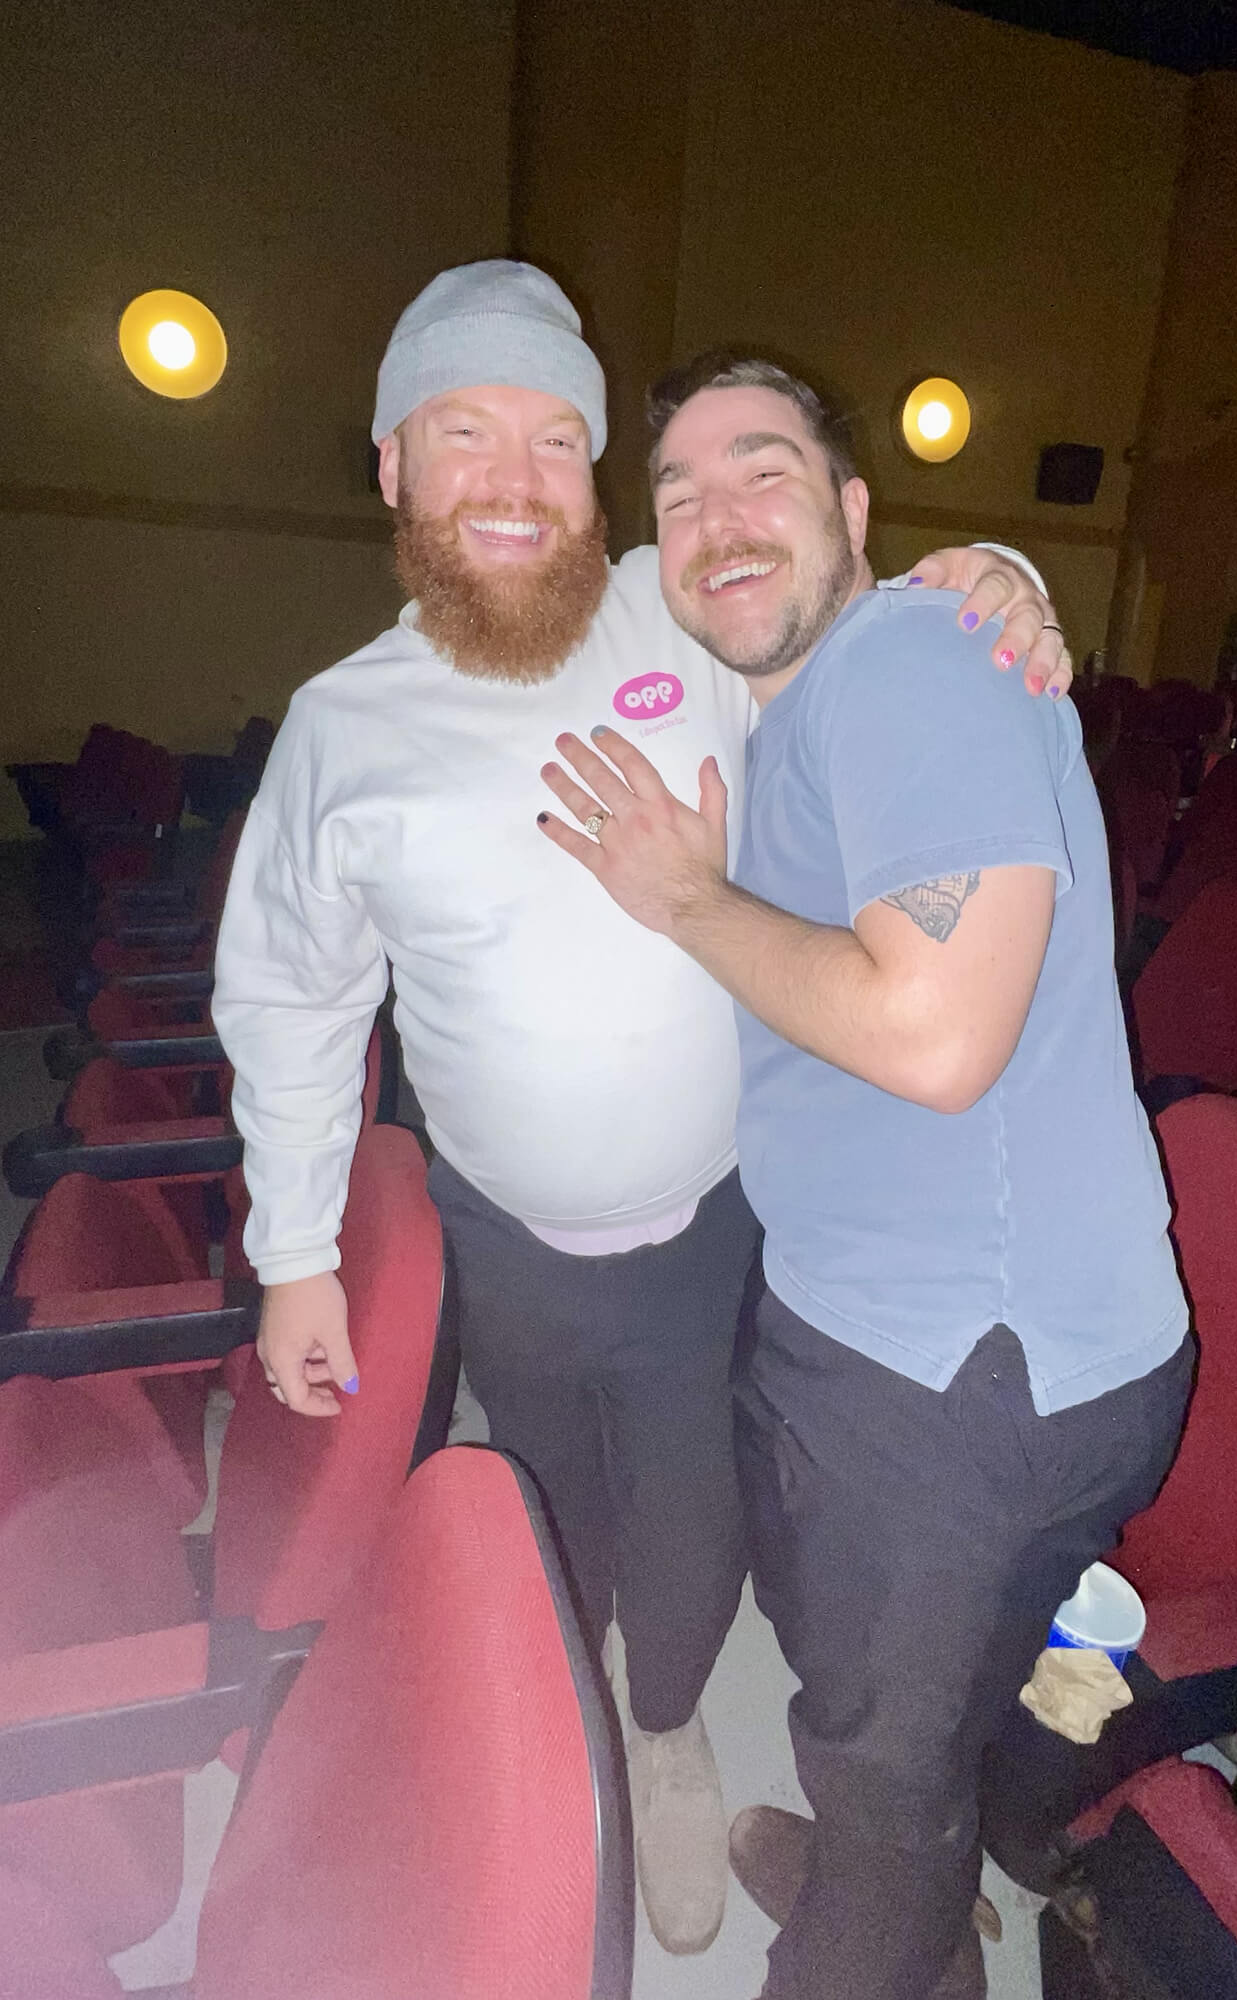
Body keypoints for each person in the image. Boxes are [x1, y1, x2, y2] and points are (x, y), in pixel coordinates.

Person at [211, 262, 1069, 1959]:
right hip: (504, 1243)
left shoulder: (669, 613)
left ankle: (665, 1729)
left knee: (695, 1544)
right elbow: (292, 1000)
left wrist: (1004, 577)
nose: (515, 478)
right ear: (392, 463)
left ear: (595, 472)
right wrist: (295, 1254)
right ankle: (573, 1719)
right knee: (551, 1521)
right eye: (466, 432)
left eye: (555, 437)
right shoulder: (342, 728)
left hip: (714, 1240)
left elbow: (847, 607)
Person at [537, 352, 1192, 1999]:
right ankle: (892, 1887)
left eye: (762, 472)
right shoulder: (804, 711)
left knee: (887, 1771)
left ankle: (885, 1920)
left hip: (961, 1373)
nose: (718, 518)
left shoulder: (905, 657)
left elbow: (934, 1033)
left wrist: (685, 901)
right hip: (919, 1336)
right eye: (680, 495)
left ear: (853, 510)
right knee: (880, 1708)